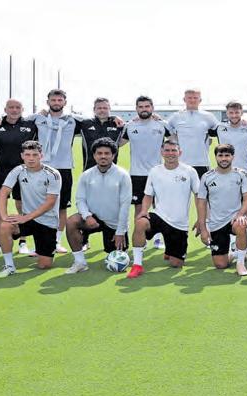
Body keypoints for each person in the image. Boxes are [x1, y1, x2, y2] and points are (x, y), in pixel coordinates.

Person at [127, 141, 200, 278]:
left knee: (176, 264)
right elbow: (148, 195)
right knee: (140, 222)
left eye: (173, 150)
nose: (170, 153)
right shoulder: (155, 171)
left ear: (180, 152)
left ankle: (170, 249)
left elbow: (198, 195)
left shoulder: (190, 171)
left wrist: (201, 219)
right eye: (167, 150)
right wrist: (144, 211)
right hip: (159, 216)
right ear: (162, 152)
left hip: (178, 224)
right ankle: (137, 265)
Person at [0, 141, 62, 277]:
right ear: (22, 156)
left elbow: (50, 203)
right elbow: (3, 192)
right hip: (27, 220)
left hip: (47, 222)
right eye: (27, 155)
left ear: (41, 156)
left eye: (35, 155)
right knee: (5, 225)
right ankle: (9, 265)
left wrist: (25, 217)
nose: (31, 158)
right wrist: (4, 216)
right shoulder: (18, 170)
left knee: (44, 265)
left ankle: (44, 248)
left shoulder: (53, 174)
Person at [64, 138, 131, 274]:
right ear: (94, 155)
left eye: (107, 153)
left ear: (113, 155)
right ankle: (80, 262)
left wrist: (120, 232)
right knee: (71, 222)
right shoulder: (86, 175)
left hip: (114, 223)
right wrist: (87, 216)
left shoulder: (123, 175)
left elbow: (125, 206)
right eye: (99, 153)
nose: (103, 156)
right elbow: (80, 200)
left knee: (116, 258)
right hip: (92, 219)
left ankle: (116, 243)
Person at [30, 89, 83, 254]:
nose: (56, 103)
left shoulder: (73, 120)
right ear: (48, 102)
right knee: (41, 206)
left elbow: (97, 118)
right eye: (53, 100)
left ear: (65, 102)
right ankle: (40, 243)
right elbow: (15, 118)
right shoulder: (38, 118)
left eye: (60, 100)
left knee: (61, 207)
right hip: (42, 168)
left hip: (64, 168)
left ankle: (57, 242)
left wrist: (115, 118)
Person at [0, 99, 38, 256]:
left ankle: (23, 242)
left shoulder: (31, 126)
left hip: (24, 172)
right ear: (5, 109)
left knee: (23, 207)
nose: (14, 110)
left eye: (17, 107)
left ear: (22, 109)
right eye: (11, 107)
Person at [195, 144, 247, 276]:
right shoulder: (207, 177)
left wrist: (240, 214)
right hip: (216, 223)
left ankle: (240, 263)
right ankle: (235, 254)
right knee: (220, 264)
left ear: (233, 157)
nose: (224, 159)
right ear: (215, 157)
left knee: (241, 224)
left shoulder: (242, 174)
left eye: (227, 155)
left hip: (235, 219)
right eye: (220, 155)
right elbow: (201, 203)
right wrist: (203, 229)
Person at [120, 96, 169, 248]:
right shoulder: (130, 126)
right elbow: (118, 143)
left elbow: (177, 137)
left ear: (152, 108)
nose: (144, 109)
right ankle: (141, 238)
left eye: (147, 106)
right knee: (139, 208)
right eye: (141, 107)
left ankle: (158, 239)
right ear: (136, 109)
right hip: (136, 174)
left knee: (159, 207)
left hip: (158, 173)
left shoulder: (162, 125)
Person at [165, 89, 220, 177]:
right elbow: (164, 128)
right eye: (189, 98)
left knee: (202, 186)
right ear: (184, 99)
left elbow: (222, 130)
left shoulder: (208, 116)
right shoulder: (176, 116)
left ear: (200, 100)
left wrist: (241, 122)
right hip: (181, 163)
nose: (192, 100)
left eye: (195, 98)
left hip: (202, 163)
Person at [213, 100, 247, 191]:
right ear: (227, 113)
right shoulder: (219, 128)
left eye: (237, 112)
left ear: (242, 113)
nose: (234, 115)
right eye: (231, 113)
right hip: (224, 173)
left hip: (246, 173)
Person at [78, 97, 125, 170]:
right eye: (99, 108)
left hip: (112, 171)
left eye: (105, 108)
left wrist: (114, 117)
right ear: (94, 110)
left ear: (109, 109)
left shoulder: (118, 124)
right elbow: (69, 116)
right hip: (89, 170)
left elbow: (135, 124)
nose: (102, 110)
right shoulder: (85, 124)